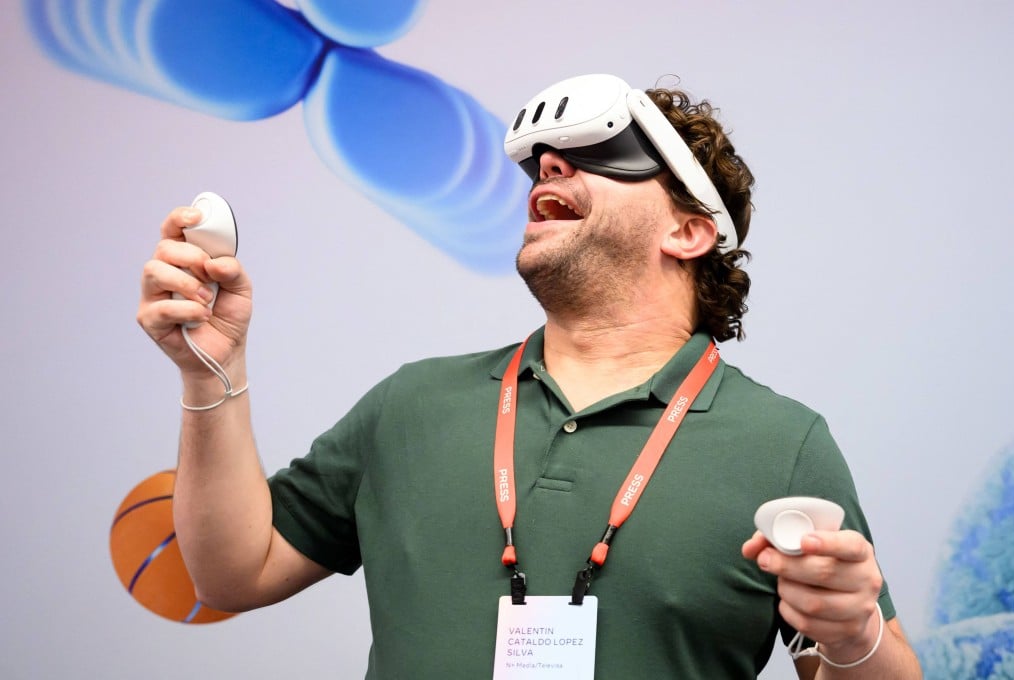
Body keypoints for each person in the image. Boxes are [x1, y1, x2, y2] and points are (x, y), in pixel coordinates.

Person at [137, 74, 922, 679]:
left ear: (688, 231)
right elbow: (233, 573)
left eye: (607, 156)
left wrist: (853, 636)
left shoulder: (782, 446)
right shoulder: (412, 404)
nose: (549, 166)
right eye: (545, 162)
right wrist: (212, 372)